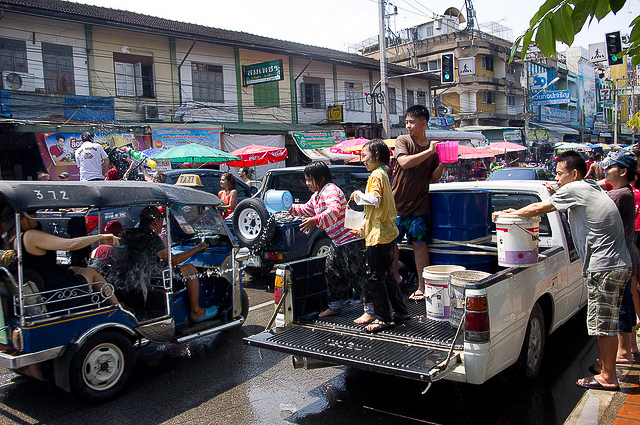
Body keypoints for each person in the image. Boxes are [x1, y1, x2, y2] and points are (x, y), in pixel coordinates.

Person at [493, 150, 631, 391]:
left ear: (574, 173)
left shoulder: (575, 188)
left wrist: (511, 213)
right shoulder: (589, 186)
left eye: (559, 174)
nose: (556, 178)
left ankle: (608, 376)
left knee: (602, 322)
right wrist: (558, 190)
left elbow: (538, 207)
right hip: (617, 263)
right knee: (605, 319)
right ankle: (604, 365)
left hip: (605, 265)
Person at [288, 161, 372, 323]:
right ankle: (334, 306)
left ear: (321, 177)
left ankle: (371, 310)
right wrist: (286, 206)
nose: (307, 183)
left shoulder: (331, 190)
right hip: (337, 242)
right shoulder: (317, 196)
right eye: (306, 179)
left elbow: (333, 212)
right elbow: (305, 209)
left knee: (357, 275)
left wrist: (314, 220)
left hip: (350, 240)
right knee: (332, 273)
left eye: (309, 179)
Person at [390, 105, 454, 301]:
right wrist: (429, 152)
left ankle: (422, 286)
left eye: (411, 122)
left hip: (420, 206)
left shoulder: (434, 150)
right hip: (396, 205)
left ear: (423, 123)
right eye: (406, 122)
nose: (408, 126)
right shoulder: (403, 140)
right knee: (392, 242)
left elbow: (433, 179)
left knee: (419, 244)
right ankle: (395, 278)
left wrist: (442, 163)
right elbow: (404, 163)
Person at [1, 205, 122, 307]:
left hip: (47, 286)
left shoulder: (11, 240)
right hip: (58, 292)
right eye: (31, 214)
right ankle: (118, 308)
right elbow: (71, 244)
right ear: (21, 219)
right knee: (90, 271)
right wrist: (100, 237)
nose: (35, 217)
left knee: (75, 268)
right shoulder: (30, 236)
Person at [118, 206, 216, 323]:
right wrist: (197, 248)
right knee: (190, 269)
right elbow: (174, 260)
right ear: (155, 221)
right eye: (161, 221)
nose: (162, 224)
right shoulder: (151, 238)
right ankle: (196, 312)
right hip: (152, 282)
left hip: (134, 279)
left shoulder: (131, 232)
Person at [351, 139, 409, 333]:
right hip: (386, 234)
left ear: (376, 156)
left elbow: (374, 200)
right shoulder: (383, 173)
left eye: (365, 156)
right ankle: (399, 312)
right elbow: (379, 206)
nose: (362, 160)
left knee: (376, 278)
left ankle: (383, 317)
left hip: (379, 238)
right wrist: (362, 229)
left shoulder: (376, 175)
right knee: (388, 276)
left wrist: (358, 195)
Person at [599, 150, 640, 365]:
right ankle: (630, 346)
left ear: (623, 171)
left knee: (621, 304)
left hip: (620, 254)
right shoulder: (624, 191)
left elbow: (596, 210)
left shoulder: (618, 195)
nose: (606, 171)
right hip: (628, 252)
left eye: (611, 168)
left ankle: (623, 351)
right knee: (627, 301)